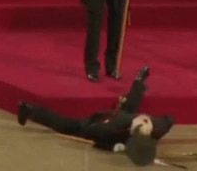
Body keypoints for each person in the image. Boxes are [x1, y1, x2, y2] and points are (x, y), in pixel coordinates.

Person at [16, 66, 175, 164]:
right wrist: (115, 147)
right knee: (68, 125)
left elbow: (170, 119)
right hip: (97, 122)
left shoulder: (157, 126)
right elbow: (96, 139)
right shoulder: (112, 128)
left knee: (130, 106)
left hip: (124, 118)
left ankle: (139, 80)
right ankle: (30, 110)